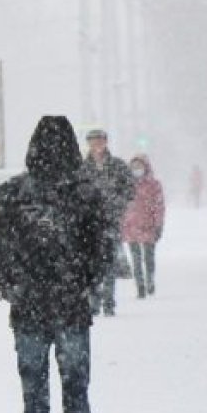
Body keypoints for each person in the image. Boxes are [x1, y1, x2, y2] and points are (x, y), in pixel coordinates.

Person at [0, 116, 111, 413]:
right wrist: (83, 284)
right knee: (76, 392)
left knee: (34, 397)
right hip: (71, 309)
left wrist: (13, 286)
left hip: (29, 311)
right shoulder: (86, 193)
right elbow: (102, 250)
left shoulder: (12, 193)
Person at [79, 129, 134, 316]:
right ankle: (94, 302)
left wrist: (116, 204)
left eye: (99, 141)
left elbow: (129, 190)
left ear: (106, 142)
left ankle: (109, 302)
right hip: (88, 225)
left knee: (109, 263)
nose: (96, 146)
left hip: (111, 221)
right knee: (91, 265)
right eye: (93, 142)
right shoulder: (81, 168)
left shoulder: (118, 165)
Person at [122, 155, 165, 298]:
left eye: (139, 167)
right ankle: (140, 285)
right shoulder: (125, 184)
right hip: (130, 226)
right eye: (134, 167)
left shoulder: (154, 185)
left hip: (148, 225)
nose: (137, 170)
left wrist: (158, 224)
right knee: (135, 258)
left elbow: (159, 206)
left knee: (148, 257)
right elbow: (120, 205)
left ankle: (150, 280)